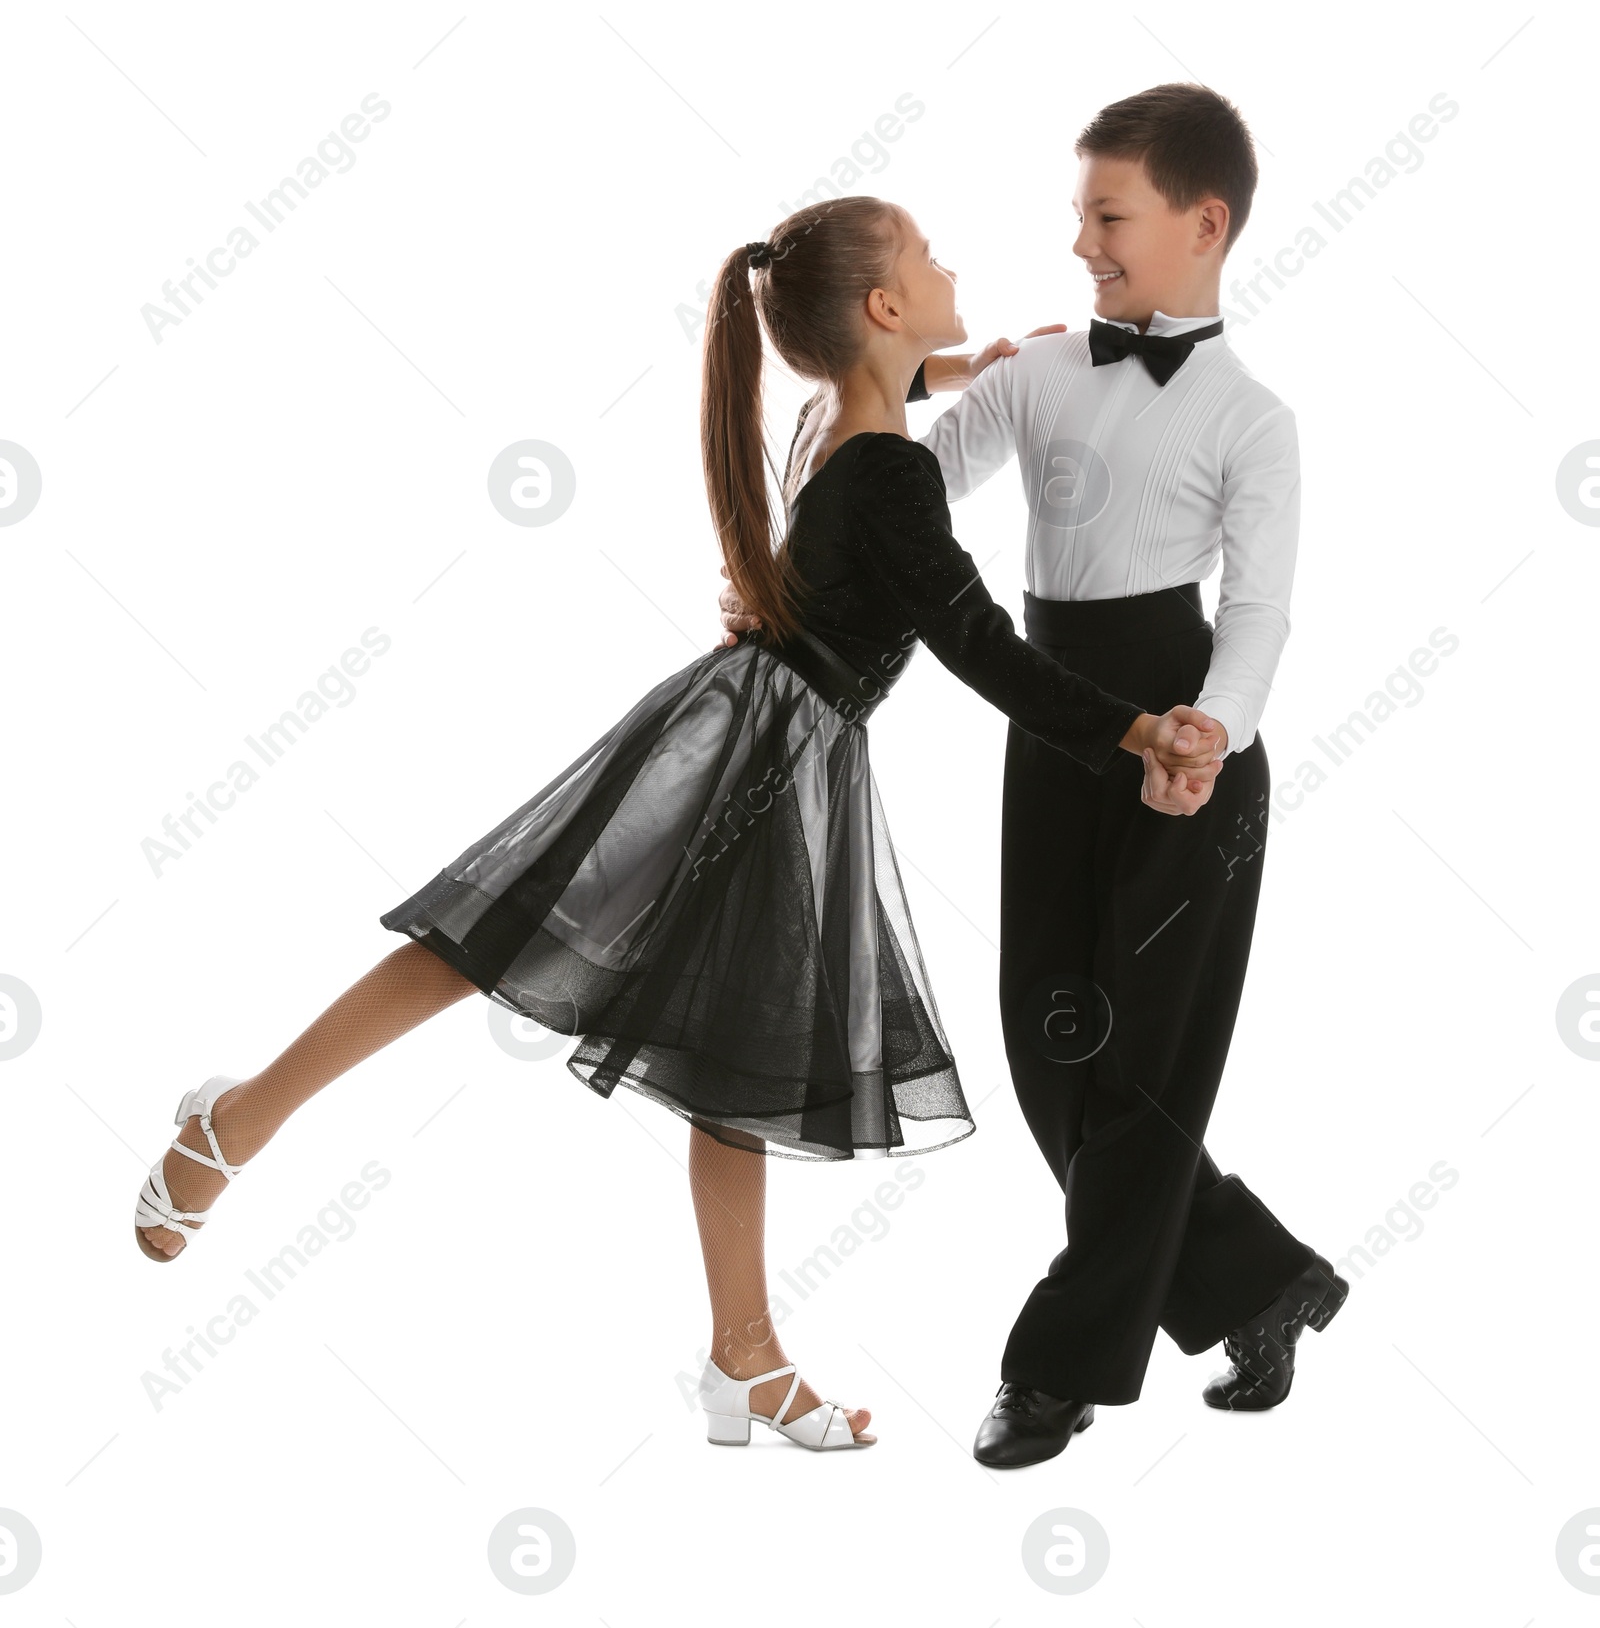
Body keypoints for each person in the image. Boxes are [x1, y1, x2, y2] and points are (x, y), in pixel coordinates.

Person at [133, 194, 1222, 1456]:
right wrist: (1138, 730)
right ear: (878, 308)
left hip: (760, 734)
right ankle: (241, 1117)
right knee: (505, 937)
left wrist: (962, 361)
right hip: (756, 753)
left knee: (728, 1047)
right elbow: (984, 649)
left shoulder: (838, 415)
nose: (949, 264)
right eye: (927, 258)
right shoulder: (887, 472)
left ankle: (742, 1354)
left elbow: (892, 385)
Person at [722, 87, 1349, 1469]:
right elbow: (898, 486)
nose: (1078, 241)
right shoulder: (1044, 371)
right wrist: (939, 382)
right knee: (1052, 1049)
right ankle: (1259, 1277)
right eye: (1078, 213)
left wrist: (1212, 736)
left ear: (1204, 223)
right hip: (1054, 722)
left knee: (1144, 1070)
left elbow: (1259, 611)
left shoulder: (1258, 421)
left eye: (1105, 215)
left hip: (1186, 737)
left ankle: (1056, 1365)